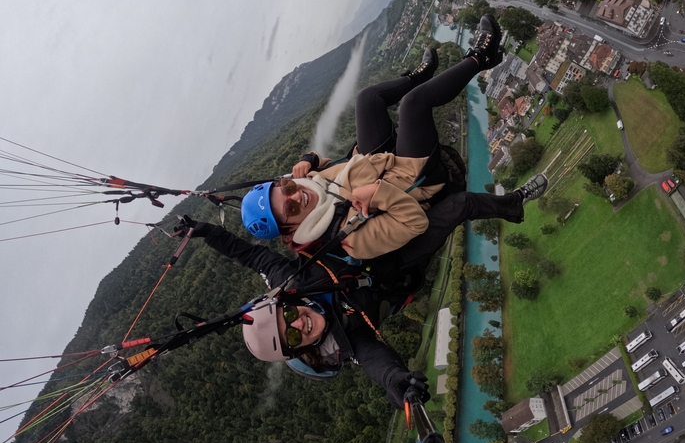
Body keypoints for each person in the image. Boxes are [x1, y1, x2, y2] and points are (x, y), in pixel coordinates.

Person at [179, 171, 546, 408]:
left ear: (284, 304)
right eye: (292, 336)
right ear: (299, 350)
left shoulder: (291, 284)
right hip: (399, 268)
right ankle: (514, 206)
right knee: (459, 206)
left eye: (287, 316)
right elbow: (376, 363)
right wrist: (400, 385)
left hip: (365, 241)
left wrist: (205, 231)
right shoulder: (343, 338)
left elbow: (248, 255)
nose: (299, 324)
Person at [241, 15, 506, 261]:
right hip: (409, 182)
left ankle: (419, 76)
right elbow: (415, 222)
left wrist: (311, 160)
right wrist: (379, 194)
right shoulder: (348, 239)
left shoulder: (308, 185)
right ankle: (481, 55)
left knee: (368, 100)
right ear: (290, 230)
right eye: (289, 210)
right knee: (414, 105)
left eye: (286, 189)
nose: (296, 197)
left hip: (374, 161)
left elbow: (330, 165)